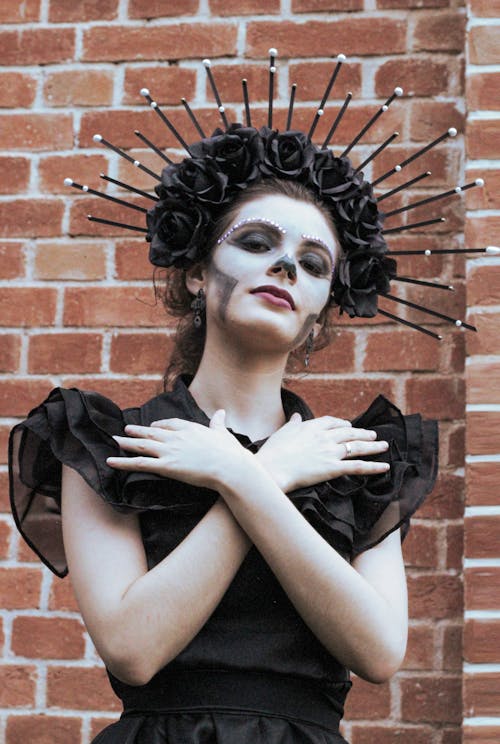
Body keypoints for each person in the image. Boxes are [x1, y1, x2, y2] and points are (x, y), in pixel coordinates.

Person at [9, 57, 449, 744]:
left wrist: (244, 472)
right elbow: (132, 646)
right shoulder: (109, 444)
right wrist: (269, 473)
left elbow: (379, 651)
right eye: (256, 242)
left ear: (319, 314)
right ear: (193, 273)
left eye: (312, 264)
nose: (284, 267)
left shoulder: (357, 460)